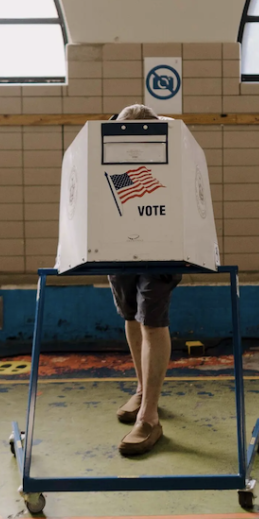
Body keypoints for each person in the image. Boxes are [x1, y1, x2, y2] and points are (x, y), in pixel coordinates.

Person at [108, 104, 181, 456]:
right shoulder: (107, 147)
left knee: (152, 320)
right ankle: (141, 389)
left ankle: (150, 416)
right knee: (130, 315)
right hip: (118, 240)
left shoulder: (173, 143)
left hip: (163, 244)